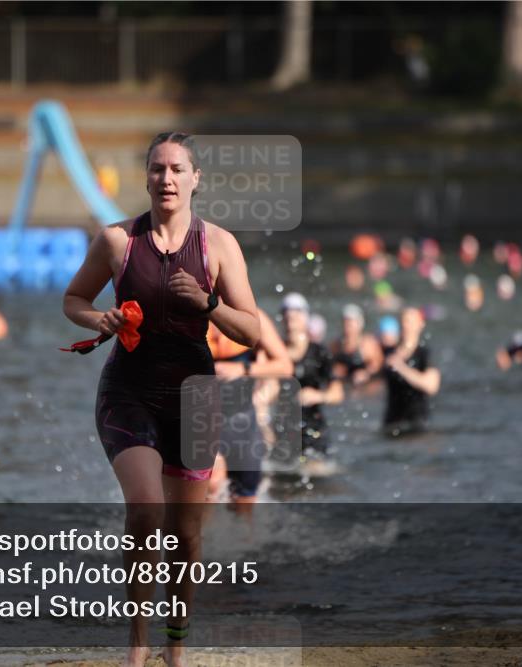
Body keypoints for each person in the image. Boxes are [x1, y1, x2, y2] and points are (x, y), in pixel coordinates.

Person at [63, 131, 260, 667]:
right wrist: (97, 317)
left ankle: (175, 645)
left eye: (177, 169)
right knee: (146, 507)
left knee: (187, 537)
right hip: (128, 389)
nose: (166, 179)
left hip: (194, 396)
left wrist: (209, 303)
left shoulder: (218, 246)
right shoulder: (118, 242)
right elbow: (74, 298)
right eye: (157, 169)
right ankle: (137, 642)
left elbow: (254, 333)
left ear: (196, 179)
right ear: (146, 178)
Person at [207, 308, 293, 510]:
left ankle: (238, 541)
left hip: (243, 421)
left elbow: (285, 366)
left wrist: (243, 369)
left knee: (244, 504)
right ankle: (200, 540)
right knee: (212, 484)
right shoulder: (187, 313)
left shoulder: (252, 316)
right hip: (200, 420)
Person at [280, 293, 344, 464]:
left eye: (296, 312)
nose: (291, 316)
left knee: (314, 474)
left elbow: (337, 394)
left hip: (313, 429)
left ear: (306, 317)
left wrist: (317, 395)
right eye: (287, 312)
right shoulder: (275, 351)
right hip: (281, 430)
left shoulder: (320, 353)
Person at [382, 307, 441, 436]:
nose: (406, 325)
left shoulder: (424, 354)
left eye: (410, 322)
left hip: (417, 424)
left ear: (420, 325)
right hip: (391, 423)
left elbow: (431, 386)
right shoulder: (389, 352)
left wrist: (402, 368)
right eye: (403, 321)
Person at [329, 304, 383, 394]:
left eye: (350, 322)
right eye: (345, 322)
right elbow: (329, 364)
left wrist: (366, 373)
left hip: (364, 389)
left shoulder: (367, 344)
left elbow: (378, 365)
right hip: (345, 387)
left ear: (359, 324)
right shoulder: (336, 345)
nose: (347, 325)